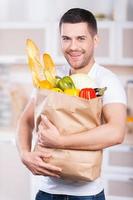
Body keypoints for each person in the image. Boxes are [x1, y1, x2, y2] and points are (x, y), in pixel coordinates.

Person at [16, 8, 127, 200]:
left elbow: (116, 132)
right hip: (46, 192)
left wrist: (60, 142)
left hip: (86, 194)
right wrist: (24, 154)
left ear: (95, 40)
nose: (73, 46)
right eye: (66, 38)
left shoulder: (106, 81)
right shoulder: (51, 78)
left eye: (81, 38)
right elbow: (25, 121)